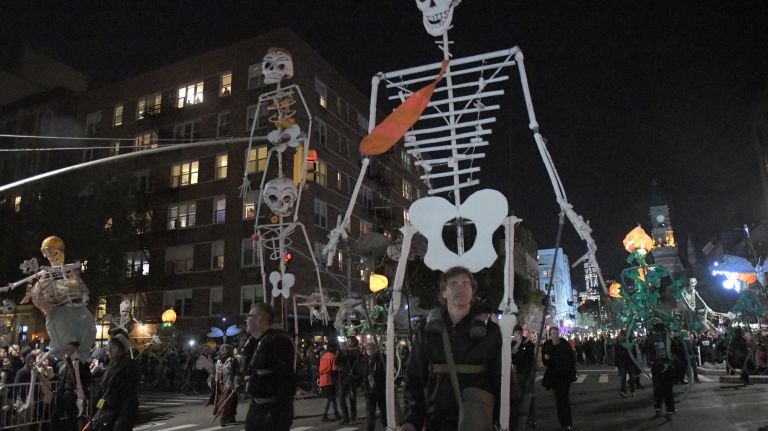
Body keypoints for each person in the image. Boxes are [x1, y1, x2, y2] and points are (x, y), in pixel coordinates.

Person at [399, 266, 502, 431]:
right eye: (453, 284)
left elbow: (501, 379)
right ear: (443, 292)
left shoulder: (491, 331)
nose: (459, 289)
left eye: (465, 284)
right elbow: (415, 379)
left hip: (477, 420)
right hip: (437, 421)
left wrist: (507, 418)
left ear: (472, 292)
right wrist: (411, 420)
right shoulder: (426, 331)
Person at [243, 303, 296, 431]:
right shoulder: (253, 344)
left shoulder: (278, 342)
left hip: (273, 414)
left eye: (249, 315)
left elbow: (285, 379)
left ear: (259, 319)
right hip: (257, 410)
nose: (246, 319)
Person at [89, 332, 138, 430]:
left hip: (118, 416)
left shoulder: (128, 367)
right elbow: (103, 392)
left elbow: (129, 397)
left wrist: (121, 422)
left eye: (113, 347)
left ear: (120, 350)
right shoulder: (110, 366)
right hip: (105, 415)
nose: (109, 350)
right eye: (108, 347)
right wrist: (94, 413)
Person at [541, 326, 576, 431]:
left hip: (565, 376)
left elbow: (571, 359)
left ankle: (568, 423)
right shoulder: (547, 345)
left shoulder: (564, 344)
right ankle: (563, 422)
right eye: (553, 334)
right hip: (555, 377)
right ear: (550, 335)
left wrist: (572, 373)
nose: (555, 335)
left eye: (556, 333)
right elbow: (545, 361)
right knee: (559, 400)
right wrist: (547, 357)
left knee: (564, 399)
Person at [52, 341, 91, 431]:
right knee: (55, 418)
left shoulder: (82, 364)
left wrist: (82, 389)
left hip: (73, 396)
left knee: (72, 420)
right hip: (64, 394)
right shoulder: (68, 363)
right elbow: (64, 379)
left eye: (70, 350)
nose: (67, 352)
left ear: (76, 351)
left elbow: (88, 379)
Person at [644, 322, 679, 416]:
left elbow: (644, 349)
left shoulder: (651, 339)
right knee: (668, 388)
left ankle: (658, 408)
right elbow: (676, 349)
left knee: (657, 388)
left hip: (655, 366)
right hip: (667, 366)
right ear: (663, 329)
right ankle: (670, 409)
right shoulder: (668, 338)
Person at [510, 324, 537, 429]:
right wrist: (516, 352)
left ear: (521, 333)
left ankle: (532, 418)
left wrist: (520, 351)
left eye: (518, 333)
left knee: (530, 396)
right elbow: (513, 358)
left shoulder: (527, 342)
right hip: (517, 372)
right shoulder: (513, 344)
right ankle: (521, 418)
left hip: (527, 372)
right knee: (519, 396)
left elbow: (529, 356)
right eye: (515, 333)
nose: (517, 335)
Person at [209, 344, 238, 426]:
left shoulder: (232, 360)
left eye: (223, 350)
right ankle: (230, 417)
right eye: (221, 349)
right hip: (220, 384)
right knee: (226, 401)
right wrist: (212, 380)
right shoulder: (218, 361)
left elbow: (237, 373)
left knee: (228, 401)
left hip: (229, 384)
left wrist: (236, 382)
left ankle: (223, 417)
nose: (221, 351)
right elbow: (214, 372)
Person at [360, 343, 387, 431]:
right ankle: (370, 427)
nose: (370, 351)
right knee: (370, 410)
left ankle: (386, 425)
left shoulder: (381, 358)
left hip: (380, 387)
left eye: (371, 349)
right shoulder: (364, 360)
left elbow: (384, 371)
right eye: (368, 349)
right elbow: (361, 372)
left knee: (383, 409)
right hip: (368, 389)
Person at [336, 337, 362, 424]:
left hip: (352, 378)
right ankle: (345, 417)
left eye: (350, 341)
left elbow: (358, 364)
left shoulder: (357, 352)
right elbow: (337, 362)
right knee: (341, 397)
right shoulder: (343, 351)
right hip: (343, 377)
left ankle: (353, 417)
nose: (348, 342)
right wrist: (340, 352)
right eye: (348, 341)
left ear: (354, 343)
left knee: (352, 398)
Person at [614, 330, 640, 397]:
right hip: (622, 362)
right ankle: (623, 391)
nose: (623, 336)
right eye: (622, 335)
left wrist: (635, 360)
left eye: (624, 335)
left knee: (632, 377)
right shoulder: (618, 343)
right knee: (623, 377)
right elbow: (616, 353)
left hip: (630, 362)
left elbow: (634, 352)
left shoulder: (630, 342)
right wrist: (616, 363)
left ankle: (632, 391)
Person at [319, 342, 340, 421]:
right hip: (329, 379)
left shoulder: (323, 356)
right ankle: (324, 415)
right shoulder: (333, 356)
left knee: (332, 398)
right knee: (329, 398)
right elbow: (335, 370)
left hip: (323, 379)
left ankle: (336, 413)